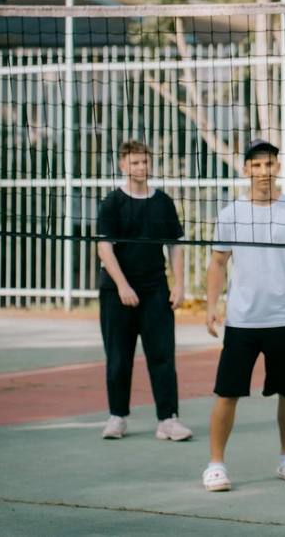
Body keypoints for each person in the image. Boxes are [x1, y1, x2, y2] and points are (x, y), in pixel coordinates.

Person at [202, 138, 285, 492]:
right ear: (245, 170)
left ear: (278, 167)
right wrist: (211, 305)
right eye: (256, 165)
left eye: (269, 164)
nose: (263, 171)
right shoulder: (230, 214)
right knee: (227, 393)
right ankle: (215, 464)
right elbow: (218, 261)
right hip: (242, 321)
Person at [96, 139, 191, 441]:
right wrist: (123, 285)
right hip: (117, 292)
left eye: (145, 161)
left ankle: (168, 419)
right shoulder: (112, 203)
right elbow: (104, 249)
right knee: (118, 357)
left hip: (154, 291)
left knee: (162, 355)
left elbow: (174, 246)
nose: (141, 167)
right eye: (134, 162)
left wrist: (179, 284)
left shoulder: (163, 202)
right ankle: (117, 417)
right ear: (123, 165)